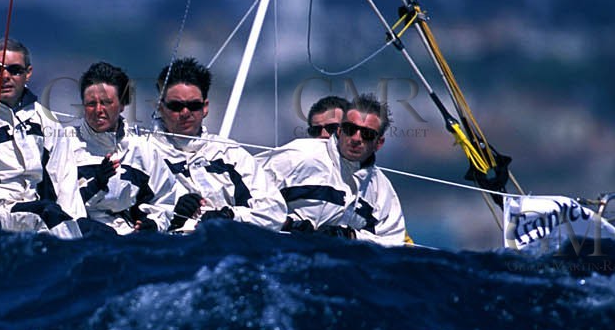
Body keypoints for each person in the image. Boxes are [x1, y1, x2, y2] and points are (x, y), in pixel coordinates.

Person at [0, 38, 85, 234]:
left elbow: (64, 179)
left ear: (28, 73)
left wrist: (76, 224)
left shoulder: (46, 120)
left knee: (93, 230)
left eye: (15, 70)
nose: (5, 76)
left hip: (26, 208)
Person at [143, 57, 285, 232]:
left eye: (194, 105)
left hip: (226, 247)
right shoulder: (142, 152)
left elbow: (275, 212)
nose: (185, 113)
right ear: (161, 108)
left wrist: (229, 216)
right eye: (176, 106)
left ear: (205, 108)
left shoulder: (230, 153)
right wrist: (173, 213)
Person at [261, 94, 407, 245]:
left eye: (367, 134)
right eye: (350, 129)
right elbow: (246, 187)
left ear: (379, 143)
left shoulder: (382, 190)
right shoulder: (300, 156)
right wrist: (287, 223)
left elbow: (393, 241)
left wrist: (349, 236)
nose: (356, 138)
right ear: (339, 131)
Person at [61, 60, 184, 233]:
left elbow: (165, 199)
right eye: (91, 104)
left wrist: (153, 224)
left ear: (122, 104)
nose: (98, 110)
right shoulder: (63, 144)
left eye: (106, 102)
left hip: (126, 241)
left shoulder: (143, 150)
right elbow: (57, 202)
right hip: (77, 236)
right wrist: (96, 184)